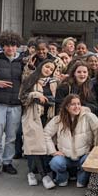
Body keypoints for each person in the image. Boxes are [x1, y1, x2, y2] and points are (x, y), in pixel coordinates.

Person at [0, 31, 25, 178]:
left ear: (17, 46)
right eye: (7, 46)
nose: (10, 48)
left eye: (13, 45)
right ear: (3, 46)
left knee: (11, 136)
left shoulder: (22, 62)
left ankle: (7, 162)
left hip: (15, 104)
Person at [45, 94, 98, 188]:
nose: (77, 107)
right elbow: (46, 133)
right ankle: (63, 178)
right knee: (56, 163)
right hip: (65, 157)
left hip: (83, 155)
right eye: (73, 104)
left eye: (78, 104)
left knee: (81, 183)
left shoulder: (88, 117)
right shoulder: (59, 119)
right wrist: (53, 151)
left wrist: (95, 149)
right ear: (67, 107)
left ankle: (81, 178)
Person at [20, 59, 58, 188]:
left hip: (48, 116)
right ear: (41, 66)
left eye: (51, 69)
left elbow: (56, 100)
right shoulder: (30, 79)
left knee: (44, 146)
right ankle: (41, 175)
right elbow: (22, 97)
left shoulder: (53, 82)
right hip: (33, 115)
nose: (48, 70)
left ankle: (35, 172)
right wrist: (35, 94)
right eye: (47, 67)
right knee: (34, 146)